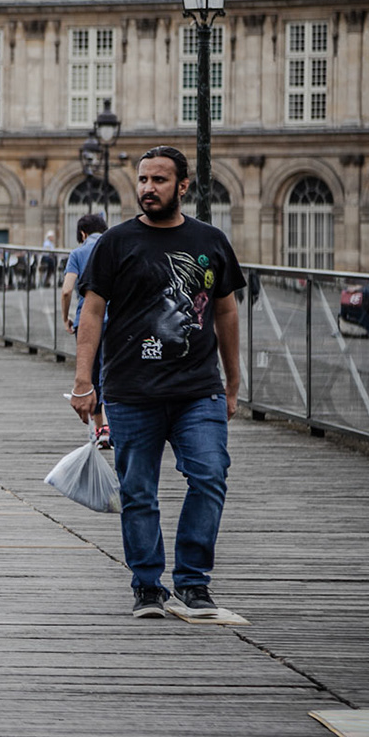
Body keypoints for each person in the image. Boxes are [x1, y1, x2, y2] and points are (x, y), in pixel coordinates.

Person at [72, 145, 245, 622]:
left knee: (209, 476)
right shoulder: (116, 243)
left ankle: (193, 583)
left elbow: (227, 310)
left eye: (160, 180)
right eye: (144, 180)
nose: (148, 188)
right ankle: (148, 586)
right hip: (131, 390)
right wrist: (83, 380)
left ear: (183, 186)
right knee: (139, 490)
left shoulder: (211, 241)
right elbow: (92, 311)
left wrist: (233, 381)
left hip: (198, 388)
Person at [59, 213, 111, 447]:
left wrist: (66, 317)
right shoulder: (114, 248)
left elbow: (67, 290)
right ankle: (118, 425)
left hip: (87, 320)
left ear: (82, 233)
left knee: (92, 371)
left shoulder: (78, 253)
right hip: (117, 320)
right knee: (115, 370)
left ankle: (102, 429)